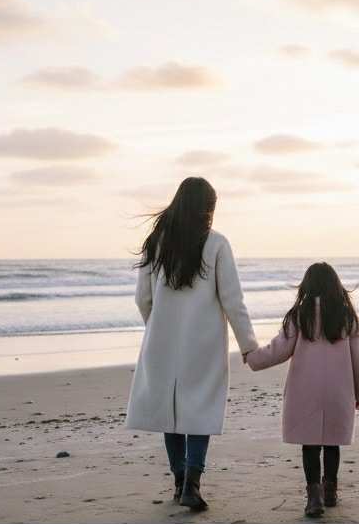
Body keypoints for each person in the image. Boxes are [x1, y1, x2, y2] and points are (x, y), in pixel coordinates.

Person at [125, 177, 258, 511]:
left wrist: (156, 327)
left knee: (170, 411)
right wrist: (248, 345)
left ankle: (178, 479)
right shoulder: (216, 244)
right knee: (200, 408)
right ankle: (192, 484)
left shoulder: (156, 242)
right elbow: (233, 300)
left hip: (162, 340)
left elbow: (142, 298)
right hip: (204, 341)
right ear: (207, 209)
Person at [245, 262, 359, 518]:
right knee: (333, 443)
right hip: (339, 391)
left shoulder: (300, 316)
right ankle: (331, 491)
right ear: (336, 286)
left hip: (306, 392)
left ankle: (314, 498)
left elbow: (278, 350)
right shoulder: (346, 316)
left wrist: (253, 358)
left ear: (307, 286)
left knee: (310, 445)